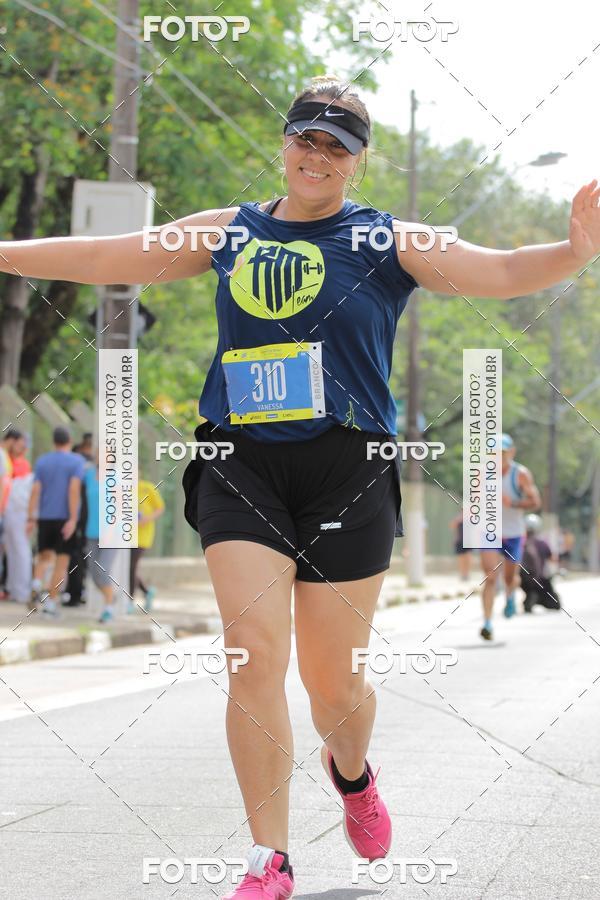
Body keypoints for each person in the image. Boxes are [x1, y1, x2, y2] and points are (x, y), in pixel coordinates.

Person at [0, 74, 599, 898]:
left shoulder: (388, 240)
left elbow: (493, 270)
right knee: (252, 659)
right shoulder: (229, 233)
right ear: (285, 143)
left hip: (347, 474)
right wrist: (3, 250)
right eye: (305, 138)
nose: (316, 156)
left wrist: (574, 250)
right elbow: (111, 253)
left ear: (357, 161)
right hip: (239, 465)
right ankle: (269, 859)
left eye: (335, 146)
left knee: (335, 683)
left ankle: (351, 777)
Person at [479, 434, 541, 640]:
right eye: (493, 453)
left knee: (508, 577)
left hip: (514, 533)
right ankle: (487, 623)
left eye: (502, 453)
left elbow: (535, 502)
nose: (498, 457)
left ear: (511, 452)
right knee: (490, 576)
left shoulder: (520, 474)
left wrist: (512, 504)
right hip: (489, 531)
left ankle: (510, 595)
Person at [26, 427, 85, 616]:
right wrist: (73, 518)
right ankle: (51, 603)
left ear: (54, 441)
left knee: (44, 558)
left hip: (45, 517)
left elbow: (35, 490)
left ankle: (36, 583)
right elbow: (73, 490)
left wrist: (31, 516)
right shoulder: (76, 461)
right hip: (64, 518)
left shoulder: (43, 461)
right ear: (69, 441)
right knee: (61, 562)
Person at [83, 455, 118, 624]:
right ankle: (111, 596)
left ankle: (108, 609)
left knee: (103, 571)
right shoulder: (89, 474)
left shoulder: (117, 477)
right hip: (91, 532)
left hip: (111, 534)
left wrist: (111, 530)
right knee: (93, 575)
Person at [129, 478, 164, 613]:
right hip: (126, 534)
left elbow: (160, 508)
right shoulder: (121, 488)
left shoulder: (147, 487)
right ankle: (147, 591)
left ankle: (129, 600)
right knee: (129, 568)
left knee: (131, 567)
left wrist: (146, 519)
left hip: (143, 535)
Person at [520, 514, 561, 612]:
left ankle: (532, 597)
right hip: (540, 579)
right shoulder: (542, 542)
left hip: (523, 579)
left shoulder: (521, 542)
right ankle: (536, 598)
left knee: (530, 588)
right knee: (554, 603)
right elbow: (553, 558)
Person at [450, 512, 472, 580]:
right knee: (461, 558)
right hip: (460, 540)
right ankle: (462, 574)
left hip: (468, 540)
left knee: (467, 558)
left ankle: (467, 574)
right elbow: (452, 526)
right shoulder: (458, 518)